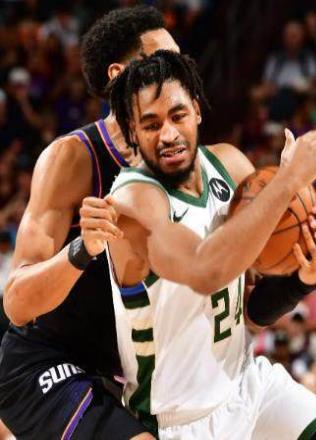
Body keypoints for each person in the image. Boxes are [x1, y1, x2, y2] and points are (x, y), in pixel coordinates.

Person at [106, 50, 316, 439]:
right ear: (132, 130)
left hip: (248, 385)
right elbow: (205, 272)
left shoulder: (229, 165)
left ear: (197, 110)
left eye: (177, 116)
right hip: (179, 420)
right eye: (151, 124)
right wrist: (288, 180)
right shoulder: (133, 202)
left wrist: (309, 270)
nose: (168, 134)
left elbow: (251, 313)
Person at [0, 6, 180, 439]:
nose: (179, 72)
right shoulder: (73, 158)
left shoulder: (189, 164)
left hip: (128, 378)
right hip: (47, 360)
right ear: (120, 75)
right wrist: (81, 250)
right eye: (164, 59)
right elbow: (17, 303)